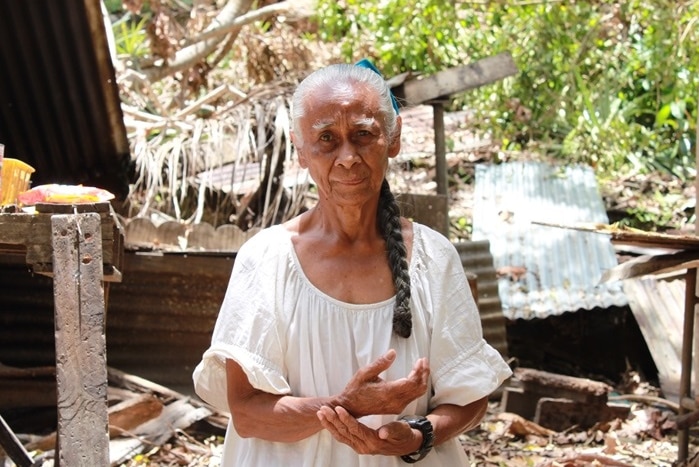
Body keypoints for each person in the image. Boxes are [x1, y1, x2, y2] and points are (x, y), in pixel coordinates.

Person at [192, 62, 512, 466]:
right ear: (301, 150)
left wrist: (418, 435)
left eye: (363, 134)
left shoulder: (434, 257)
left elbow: (469, 397)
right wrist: (345, 406)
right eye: (326, 138)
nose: (347, 157)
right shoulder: (267, 259)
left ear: (392, 139)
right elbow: (248, 413)